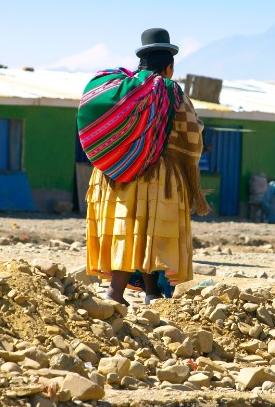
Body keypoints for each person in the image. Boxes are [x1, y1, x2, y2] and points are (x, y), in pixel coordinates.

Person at [78, 28, 210, 305]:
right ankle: (115, 293)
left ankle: (152, 291)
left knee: (127, 229)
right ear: (169, 67)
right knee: (148, 231)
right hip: (155, 175)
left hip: (112, 173)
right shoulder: (169, 90)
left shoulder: (118, 87)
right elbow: (191, 132)